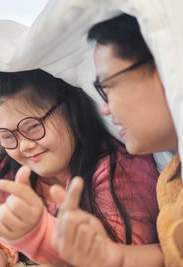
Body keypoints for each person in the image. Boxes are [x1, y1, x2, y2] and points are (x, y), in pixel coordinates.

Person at [0, 69, 160, 266]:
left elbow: (118, 254)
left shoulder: (119, 168)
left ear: (70, 109)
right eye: (7, 136)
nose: (23, 146)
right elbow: (5, 230)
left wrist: (37, 231)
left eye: (32, 127)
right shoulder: (10, 172)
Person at [50, 13, 181, 267]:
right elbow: (170, 252)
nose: (105, 109)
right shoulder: (171, 177)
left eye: (107, 86)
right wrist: (113, 257)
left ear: (165, 66)